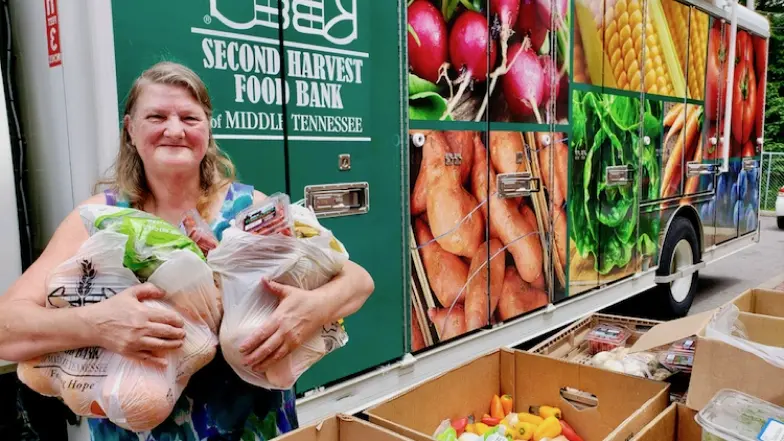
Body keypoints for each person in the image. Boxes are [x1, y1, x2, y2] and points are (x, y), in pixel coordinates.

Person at [0, 61, 376, 440]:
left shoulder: (248, 210)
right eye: (157, 116)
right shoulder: (98, 220)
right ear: (130, 130)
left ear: (208, 129)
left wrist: (313, 309)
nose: (175, 129)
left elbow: (358, 280)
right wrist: (101, 325)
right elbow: (5, 328)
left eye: (190, 118)